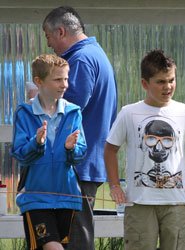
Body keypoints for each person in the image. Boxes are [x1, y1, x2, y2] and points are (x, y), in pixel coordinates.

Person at [104, 49, 185, 250]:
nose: (168, 87)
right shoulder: (129, 113)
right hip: (139, 203)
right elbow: (110, 150)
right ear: (145, 83)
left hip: (177, 202)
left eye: (171, 80)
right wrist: (115, 185)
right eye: (160, 82)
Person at [42, 6, 118, 249]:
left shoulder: (81, 60)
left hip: (75, 165)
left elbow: (67, 109)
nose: (49, 45)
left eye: (48, 36)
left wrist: (39, 97)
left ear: (61, 31)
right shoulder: (94, 54)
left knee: (74, 238)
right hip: (84, 163)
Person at [12, 54, 87, 250]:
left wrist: (71, 148)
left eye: (66, 78)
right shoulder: (24, 112)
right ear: (39, 81)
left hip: (67, 198)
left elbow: (80, 153)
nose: (65, 85)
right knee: (53, 247)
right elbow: (19, 153)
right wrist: (36, 142)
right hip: (36, 199)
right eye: (57, 79)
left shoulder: (74, 112)